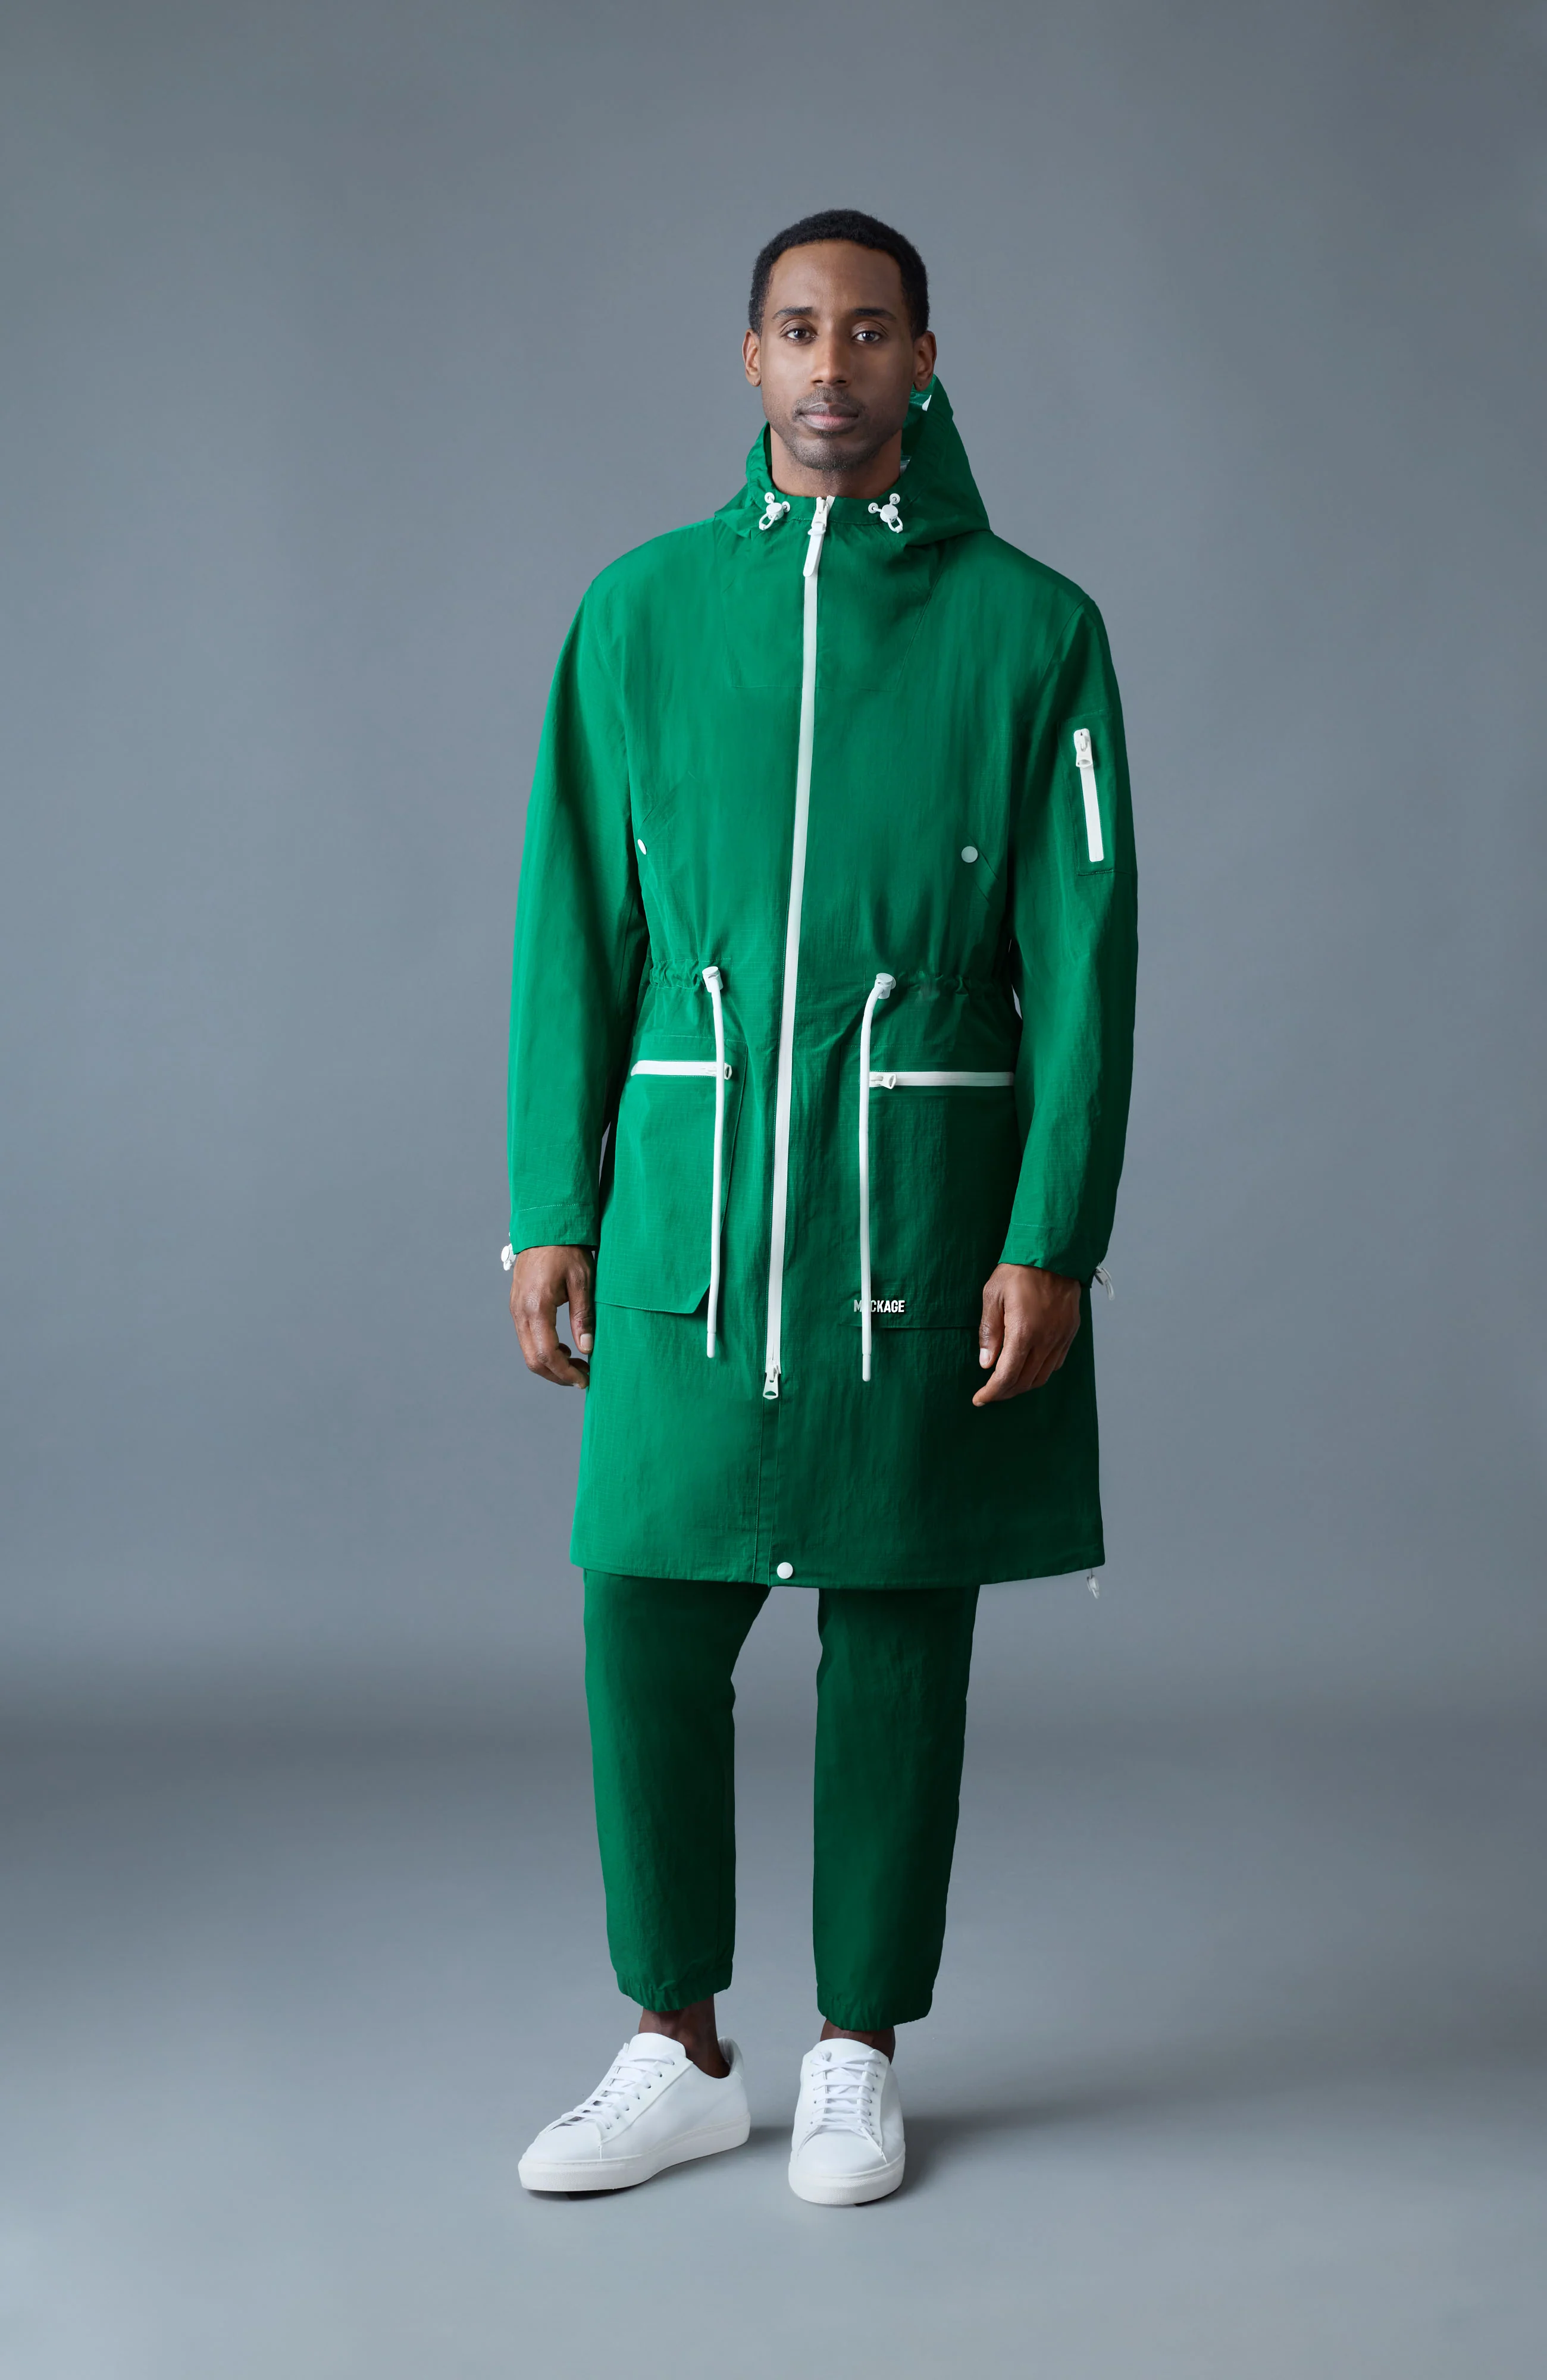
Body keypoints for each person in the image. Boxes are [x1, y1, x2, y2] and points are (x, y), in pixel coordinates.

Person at [503, 208, 1136, 2204]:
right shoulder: (637, 614)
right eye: (799, 329)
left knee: (899, 1624)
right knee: (642, 1607)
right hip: (692, 1192)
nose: (833, 364)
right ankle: (676, 2045)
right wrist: (548, 1204)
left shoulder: (1034, 629)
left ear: (924, 359)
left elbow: (1087, 952)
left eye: (871, 331)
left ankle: (859, 2043)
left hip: (911, 1204)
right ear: (751, 360)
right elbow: (570, 928)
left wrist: (1053, 1231)